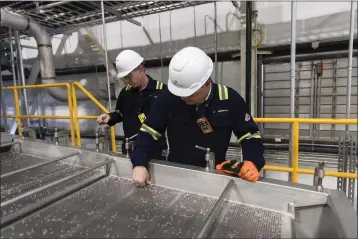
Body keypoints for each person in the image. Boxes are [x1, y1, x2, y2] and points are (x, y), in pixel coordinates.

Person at [130, 46, 265, 186]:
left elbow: (249, 135)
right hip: (177, 175)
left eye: (191, 93)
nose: (184, 98)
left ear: (206, 82)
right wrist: (139, 163)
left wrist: (252, 161)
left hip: (215, 177)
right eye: (180, 93)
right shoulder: (168, 98)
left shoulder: (229, 100)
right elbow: (148, 132)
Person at [97, 49, 168, 158]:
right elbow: (120, 113)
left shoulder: (161, 91)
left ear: (141, 69)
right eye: (124, 78)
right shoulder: (125, 93)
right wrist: (109, 117)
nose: (126, 81)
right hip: (130, 149)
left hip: (154, 151)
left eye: (128, 76)